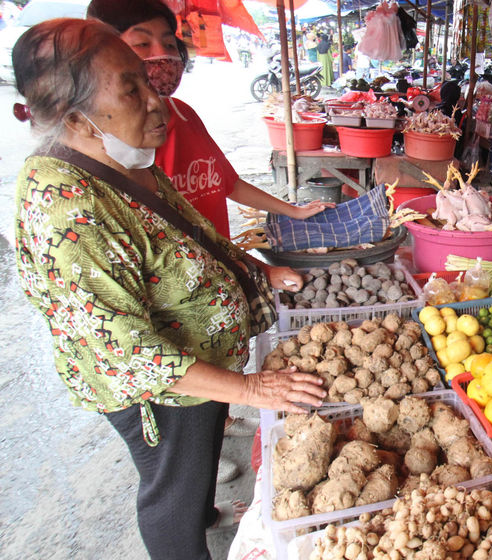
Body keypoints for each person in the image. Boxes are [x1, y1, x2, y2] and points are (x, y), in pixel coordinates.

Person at [11, 18, 327, 560]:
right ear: (75, 119)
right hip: (159, 392)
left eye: (146, 80)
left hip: (201, 371)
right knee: (170, 496)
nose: (156, 102)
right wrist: (249, 390)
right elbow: (123, 351)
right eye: (130, 89)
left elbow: (194, 238)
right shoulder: (66, 206)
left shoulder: (124, 163)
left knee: (195, 465)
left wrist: (256, 271)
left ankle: (202, 503)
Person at [86, 0, 333, 482]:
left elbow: (222, 188)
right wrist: (249, 389)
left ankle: (203, 464)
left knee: (195, 454)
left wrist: (289, 216)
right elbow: (127, 344)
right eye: (141, 45)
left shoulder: (183, 116)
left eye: (168, 43)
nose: (162, 56)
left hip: (208, 322)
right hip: (169, 349)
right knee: (174, 482)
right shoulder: (115, 159)